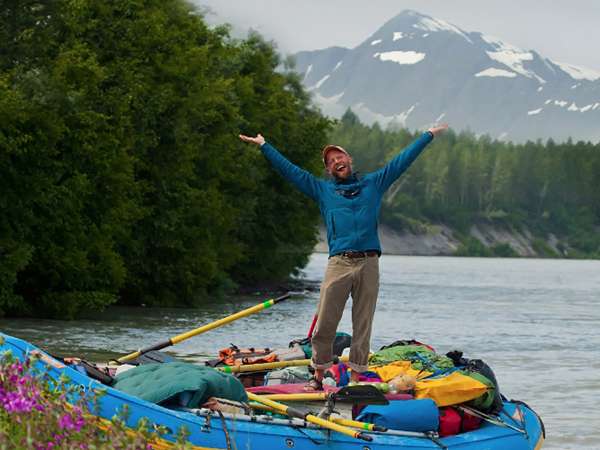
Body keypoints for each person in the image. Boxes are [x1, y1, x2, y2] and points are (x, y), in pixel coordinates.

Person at [239, 124, 448, 389]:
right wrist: (264, 146)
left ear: (349, 160)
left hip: (369, 262)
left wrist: (427, 136)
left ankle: (357, 379)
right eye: (331, 160)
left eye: (340, 157)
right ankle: (318, 376)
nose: (337, 161)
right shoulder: (322, 190)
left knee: (363, 323)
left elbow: (400, 162)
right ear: (329, 170)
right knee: (325, 321)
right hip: (339, 262)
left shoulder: (374, 183)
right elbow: (290, 172)